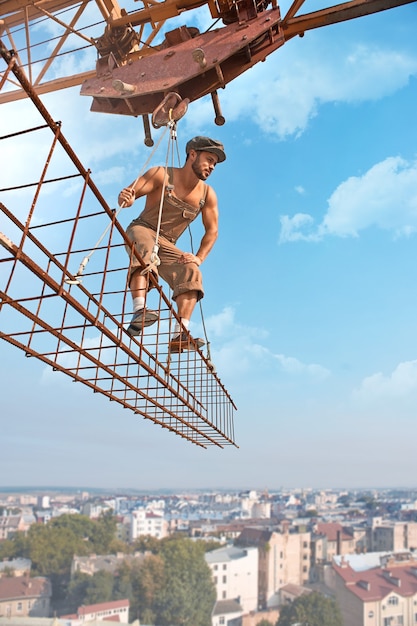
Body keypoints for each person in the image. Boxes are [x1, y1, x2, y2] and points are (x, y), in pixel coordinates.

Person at [118, 136, 226, 352]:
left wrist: (199, 257)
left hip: (168, 243)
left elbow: (212, 231)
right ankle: (139, 309)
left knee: (191, 270)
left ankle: (180, 335)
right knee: (146, 248)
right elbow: (131, 192)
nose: (212, 166)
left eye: (215, 163)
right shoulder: (161, 174)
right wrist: (126, 198)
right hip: (143, 229)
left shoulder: (207, 194)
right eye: (209, 159)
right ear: (192, 154)